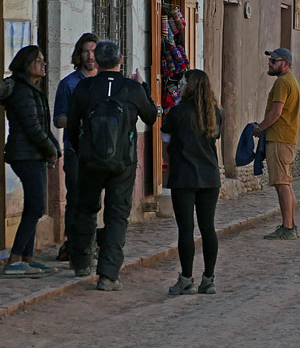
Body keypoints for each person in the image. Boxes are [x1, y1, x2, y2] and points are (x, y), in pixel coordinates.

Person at [67, 40, 157, 291]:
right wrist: (143, 88)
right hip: (123, 162)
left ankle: (82, 262)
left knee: (85, 209)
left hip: (90, 161)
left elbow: (73, 126)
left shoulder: (85, 88)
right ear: (121, 60)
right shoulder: (132, 88)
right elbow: (150, 117)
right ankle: (108, 274)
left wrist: (82, 150)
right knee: (117, 214)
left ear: (97, 60)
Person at [0, 46, 61, 276]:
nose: (43, 64)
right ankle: (15, 260)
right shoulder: (22, 91)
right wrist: (51, 150)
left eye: (44, 60)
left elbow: (42, 126)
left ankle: (28, 257)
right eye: (38, 60)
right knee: (36, 206)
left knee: (34, 206)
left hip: (33, 154)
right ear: (27, 64)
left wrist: (53, 149)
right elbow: (33, 128)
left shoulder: (31, 88)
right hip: (25, 155)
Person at [161, 69, 222, 295]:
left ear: (190, 86)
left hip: (184, 177)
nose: (180, 85)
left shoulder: (177, 112)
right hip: (209, 177)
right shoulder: (215, 113)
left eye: (183, 82)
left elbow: (165, 138)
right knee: (208, 228)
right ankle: (209, 279)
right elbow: (215, 137)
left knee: (186, 229)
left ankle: (186, 278)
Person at [53, 33, 98, 262]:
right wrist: (81, 119)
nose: (90, 56)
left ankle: (91, 242)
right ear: (79, 55)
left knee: (94, 200)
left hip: (100, 151)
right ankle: (72, 243)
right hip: (75, 150)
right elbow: (58, 119)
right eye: (86, 52)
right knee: (76, 198)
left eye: (93, 51)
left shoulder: (104, 82)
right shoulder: (68, 84)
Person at [254, 48, 300, 240]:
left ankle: (287, 227)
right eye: (270, 60)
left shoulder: (283, 82)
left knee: (281, 184)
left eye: (274, 61)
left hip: (280, 138)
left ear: (285, 63)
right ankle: (290, 225)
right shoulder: (291, 81)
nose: (270, 63)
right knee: (286, 184)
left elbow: (277, 112)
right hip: (286, 138)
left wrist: (260, 128)